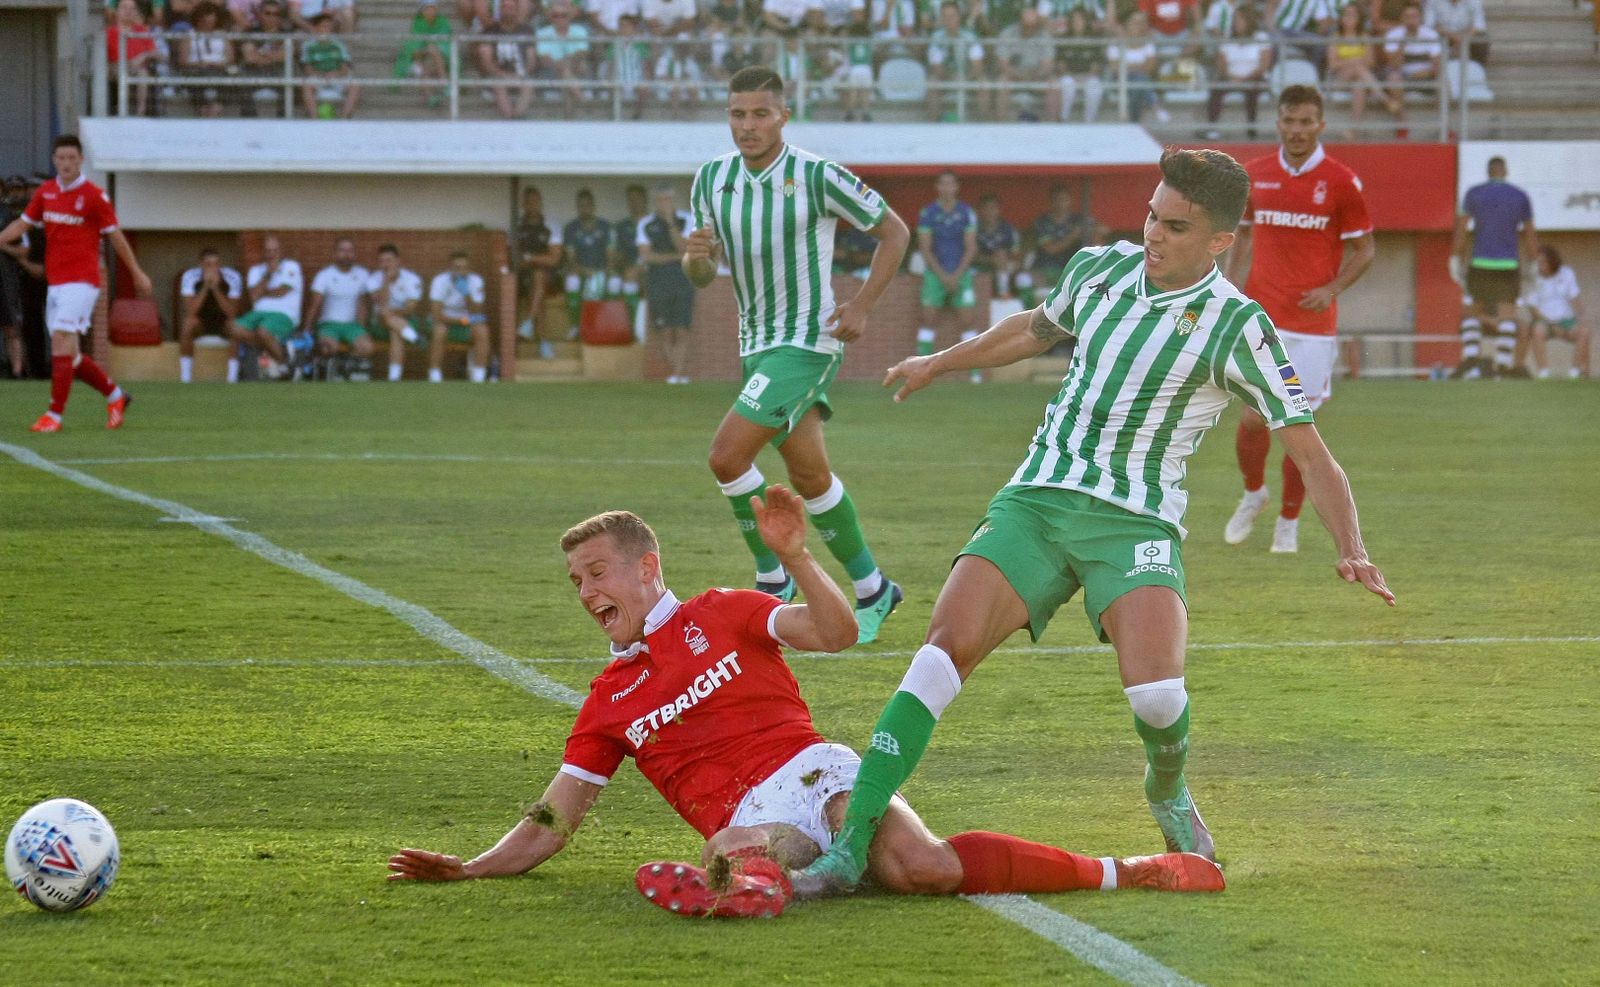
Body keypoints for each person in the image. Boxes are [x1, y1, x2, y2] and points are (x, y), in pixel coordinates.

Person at [792, 147, 1395, 897]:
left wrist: (1353, 548)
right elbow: (1033, 329)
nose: (1153, 233)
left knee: (1158, 698)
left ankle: (1167, 789)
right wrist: (937, 361)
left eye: (1175, 225)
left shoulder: (1240, 327)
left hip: (1135, 519)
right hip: (1038, 498)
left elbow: (1310, 450)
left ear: (1218, 241)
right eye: (1150, 214)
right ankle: (848, 848)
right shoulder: (1099, 270)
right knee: (940, 652)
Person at [385, 500, 1226, 916]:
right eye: (576, 581)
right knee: (737, 837)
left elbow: (833, 630)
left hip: (814, 770)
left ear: (648, 567)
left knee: (923, 871)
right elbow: (551, 819)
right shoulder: (606, 703)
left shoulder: (724, 610)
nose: (586, 591)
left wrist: (795, 556)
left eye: (598, 572)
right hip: (745, 816)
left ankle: (1135, 869)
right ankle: (753, 874)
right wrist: (472, 865)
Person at [683, 66, 912, 643]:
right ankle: (873, 588)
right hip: (755, 345)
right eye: (738, 114)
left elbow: (895, 232)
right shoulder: (711, 179)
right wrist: (695, 258)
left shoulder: (816, 175)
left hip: (807, 341)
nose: (748, 125)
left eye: (761, 113)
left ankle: (771, 579)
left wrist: (860, 305)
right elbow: (703, 272)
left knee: (725, 457)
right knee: (810, 475)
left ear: (784, 115)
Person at [1223, 85, 1375, 553]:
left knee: (1296, 431)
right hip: (1261, 319)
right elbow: (1241, 236)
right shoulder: (1255, 176)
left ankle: (1288, 522)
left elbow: (1365, 250)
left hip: (1312, 328)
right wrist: (1228, 288)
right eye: (1289, 121)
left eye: (1307, 121)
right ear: (1278, 124)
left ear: (1321, 124)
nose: (1297, 130)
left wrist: (1331, 289)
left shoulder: (1342, 182)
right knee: (1252, 420)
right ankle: (1254, 494)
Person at [0, 136, 149, 432]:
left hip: (82, 282)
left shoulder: (94, 196)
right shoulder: (46, 192)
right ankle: (116, 396)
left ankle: (54, 415)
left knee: (60, 340)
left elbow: (115, 236)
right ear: (55, 161)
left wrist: (136, 271)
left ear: (81, 160)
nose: (66, 163)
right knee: (71, 354)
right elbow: (23, 224)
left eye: (72, 158)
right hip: (56, 282)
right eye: (61, 158)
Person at [1451, 156, 1535, 379]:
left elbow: (1461, 228)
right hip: (1508, 263)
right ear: (1505, 171)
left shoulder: (1473, 193)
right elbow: (1529, 233)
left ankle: (1470, 360)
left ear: (1488, 171)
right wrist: (1534, 262)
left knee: (1471, 312)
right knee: (1507, 314)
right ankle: (1503, 366)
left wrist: (1455, 257)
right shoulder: (1520, 195)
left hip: (1480, 262)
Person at [915, 171, 980, 366]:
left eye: (951, 184)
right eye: (943, 183)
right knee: (928, 319)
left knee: (968, 320)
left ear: (956, 187)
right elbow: (925, 248)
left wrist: (957, 275)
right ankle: (921, 365)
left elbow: (971, 247)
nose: (947, 188)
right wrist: (944, 276)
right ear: (937, 187)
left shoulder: (967, 213)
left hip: (961, 273)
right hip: (935, 275)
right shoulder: (928, 213)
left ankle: (973, 370)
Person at [638, 186, 697, 385]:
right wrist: (675, 257)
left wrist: (671, 222)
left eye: (668, 200)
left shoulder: (685, 219)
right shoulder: (646, 224)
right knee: (665, 331)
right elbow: (647, 256)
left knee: (681, 329)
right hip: (658, 282)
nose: (664, 204)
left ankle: (678, 374)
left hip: (683, 280)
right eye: (661, 200)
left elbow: (683, 247)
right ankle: (675, 373)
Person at [230, 234, 304, 376]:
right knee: (233, 328)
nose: (271, 254)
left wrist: (262, 292)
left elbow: (282, 291)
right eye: (268, 251)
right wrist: (268, 274)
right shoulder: (256, 270)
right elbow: (252, 296)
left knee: (263, 331)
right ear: (264, 252)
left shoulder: (291, 266)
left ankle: (284, 365)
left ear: (281, 251)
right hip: (258, 314)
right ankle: (275, 347)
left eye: (275, 250)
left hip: (284, 314)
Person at [1326, 3, 1399, 138]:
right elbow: (1333, 64)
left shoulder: (1364, 36)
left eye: (1352, 15)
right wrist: (1353, 61)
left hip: (1360, 78)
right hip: (1340, 79)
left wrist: (1353, 62)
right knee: (1358, 67)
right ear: (1341, 18)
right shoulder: (1336, 37)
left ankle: (1353, 130)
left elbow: (1371, 62)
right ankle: (1386, 100)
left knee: (1359, 85)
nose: (1349, 18)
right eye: (1346, 14)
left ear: (1358, 18)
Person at [304, 236, 373, 376]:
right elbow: (314, 306)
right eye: (342, 250)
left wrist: (362, 329)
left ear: (354, 253)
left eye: (350, 250)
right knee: (329, 349)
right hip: (328, 324)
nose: (346, 254)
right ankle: (336, 371)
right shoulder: (324, 275)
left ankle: (345, 367)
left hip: (352, 325)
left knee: (368, 348)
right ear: (335, 253)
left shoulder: (363, 274)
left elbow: (364, 305)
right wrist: (307, 330)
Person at [1204, 5, 1273, 139]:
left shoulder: (1261, 37)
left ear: (1249, 21)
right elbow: (1221, 64)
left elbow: (1264, 65)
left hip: (1254, 76)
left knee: (1252, 89)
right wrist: (1231, 76)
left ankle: (1251, 129)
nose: (1236, 22)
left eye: (1239, 19)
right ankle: (1212, 128)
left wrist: (1245, 78)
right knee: (1216, 89)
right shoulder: (1227, 38)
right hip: (1230, 77)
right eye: (1235, 19)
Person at [178, 246, 244, 383]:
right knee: (187, 324)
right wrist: (206, 287)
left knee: (236, 326)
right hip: (201, 322)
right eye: (208, 265)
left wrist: (215, 289)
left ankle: (232, 379)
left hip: (223, 322)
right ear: (201, 265)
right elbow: (191, 311)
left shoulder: (232, 277)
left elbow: (232, 313)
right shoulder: (190, 277)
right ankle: (185, 378)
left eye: (216, 264)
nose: (213, 268)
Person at [1524, 246, 1589, 380]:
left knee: (1585, 331)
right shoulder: (1534, 278)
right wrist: (1552, 324)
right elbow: (1533, 310)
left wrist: (1581, 317)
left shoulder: (1566, 273)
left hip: (1566, 320)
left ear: (1552, 262)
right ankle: (1544, 372)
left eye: (1542, 262)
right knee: (1537, 331)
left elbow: (1575, 299)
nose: (1540, 266)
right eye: (1538, 262)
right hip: (1545, 322)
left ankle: (1575, 372)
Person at [428, 250, 491, 382]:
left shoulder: (476, 280)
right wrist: (462, 321)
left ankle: (479, 376)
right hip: (445, 319)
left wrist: (466, 293)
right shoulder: (440, 281)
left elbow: (477, 311)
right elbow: (436, 314)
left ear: (470, 269)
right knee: (439, 331)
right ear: (450, 268)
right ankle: (434, 375)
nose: (461, 272)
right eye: (457, 268)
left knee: (483, 330)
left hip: (467, 318)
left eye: (465, 268)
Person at [366, 243, 426, 382]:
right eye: (382, 262)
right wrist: (386, 281)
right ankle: (415, 338)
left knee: (395, 330)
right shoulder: (373, 279)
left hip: (405, 320)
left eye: (389, 260)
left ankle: (394, 378)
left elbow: (410, 308)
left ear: (398, 261)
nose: (386, 265)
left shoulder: (412, 279)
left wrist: (389, 312)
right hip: (379, 323)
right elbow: (381, 304)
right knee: (385, 315)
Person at [1029, 182, 1103, 293]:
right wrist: (1074, 234)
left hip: (1073, 266)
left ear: (1070, 201)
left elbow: (1101, 231)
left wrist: (1094, 232)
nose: (1060, 203)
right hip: (1046, 267)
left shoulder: (1079, 219)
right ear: (1051, 202)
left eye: (1064, 199)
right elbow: (1051, 249)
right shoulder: (1041, 223)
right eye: (1056, 200)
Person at [559, 189, 615, 333]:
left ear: (593, 206)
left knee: (612, 282)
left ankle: (604, 325)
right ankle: (574, 326)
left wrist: (602, 272)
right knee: (572, 280)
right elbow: (570, 259)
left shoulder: (605, 226)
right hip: (579, 270)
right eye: (581, 205)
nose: (584, 208)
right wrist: (585, 271)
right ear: (577, 207)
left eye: (587, 205)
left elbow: (610, 255)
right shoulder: (570, 228)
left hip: (601, 270)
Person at [514, 186, 563, 350]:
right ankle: (543, 341)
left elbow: (555, 259)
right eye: (529, 202)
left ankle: (529, 324)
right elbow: (514, 259)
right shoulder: (517, 226)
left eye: (536, 201)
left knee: (539, 276)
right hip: (525, 276)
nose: (533, 205)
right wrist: (538, 259)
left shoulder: (551, 224)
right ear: (523, 205)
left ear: (541, 203)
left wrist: (531, 258)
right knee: (537, 284)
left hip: (551, 276)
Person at [1381, 2, 1441, 133]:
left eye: (1414, 16)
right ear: (1402, 19)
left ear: (1420, 18)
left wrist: (1429, 72)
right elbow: (1393, 65)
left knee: (1444, 82)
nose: (1411, 20)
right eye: (1407, 17)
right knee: (1393, 78)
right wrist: (1403, 43)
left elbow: (1437, 64)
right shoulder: (1393, 35)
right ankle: (1402, 124)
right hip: (1403, 76)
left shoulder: (1431, 35)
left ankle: (1445, 126)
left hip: (1424, 76)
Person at [534, 0, 591, 120]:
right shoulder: (542, 33)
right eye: (556, 16)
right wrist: (562, 65)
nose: (560, 19)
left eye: (563, 15)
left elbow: (582, 53)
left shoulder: (580, 31)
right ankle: (584, 102)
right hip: (551, 73)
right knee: (565, 73)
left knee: (567, 76)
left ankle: (568, 121)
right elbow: (544, 59)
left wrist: (565, 63)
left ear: (569, 17)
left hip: (574, 70)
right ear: (551, 17)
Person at [477, 4, 535, 119]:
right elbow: (486, 61)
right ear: (499, 11)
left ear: (517, 11)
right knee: (499, 85)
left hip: (521, 75)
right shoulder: (490, 31)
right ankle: (510, 120)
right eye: (505, 7)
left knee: (529, 85)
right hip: (498, 75)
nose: (508, 11)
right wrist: (502, 74)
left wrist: (522, 74)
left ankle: (517, 118)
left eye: (511, 8)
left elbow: (531, 59)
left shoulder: (527, 30)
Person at [299, 12, 360, 119]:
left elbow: (345, 67)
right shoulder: (308, 45)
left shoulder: (338, 45)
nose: (327, 29)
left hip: (336, 77)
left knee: (354, 85)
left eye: (329, 27)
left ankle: (344, 118)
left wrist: (336, 74)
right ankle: (315, 118)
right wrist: (321, 74)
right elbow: (307, 68)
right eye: (324, 26)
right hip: (317, 77)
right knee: (306, 85)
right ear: (316, 27)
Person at [974, 192, 1030, 306]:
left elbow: (1017, 253)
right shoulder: (974, 229)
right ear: (980, 210)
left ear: (998, 210)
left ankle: (1030, 313)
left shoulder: (1007, 230)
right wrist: (991, 260)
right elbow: (971, 256)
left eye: (993, 208)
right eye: (986, 208)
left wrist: (1009, 263)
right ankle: (1003, 292)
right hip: (980, 267)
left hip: (1006, 267)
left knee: (1024, 279)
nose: (990, 212)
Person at [395, 0, 453, 109]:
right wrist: (425, 50)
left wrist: (430, 48)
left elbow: (446, 44)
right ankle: (433, 95)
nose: (430, 11)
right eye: (427, 8)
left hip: (442, 57)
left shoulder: (443, 22)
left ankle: (443, 81)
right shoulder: (417, 24)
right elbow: (413, 48)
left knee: (433, 49)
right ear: (421, 11)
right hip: (423, 59)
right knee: (423, 66)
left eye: (433, 8)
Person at [238, 0, 290, 118]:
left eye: (275, 14)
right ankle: (250, 124)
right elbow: (249, 57)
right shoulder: (249, 32)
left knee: (289, 83)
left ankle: (284, 124)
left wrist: (260, 56)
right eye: (268, 13)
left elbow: (285, 55)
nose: (272, 17)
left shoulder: (286, 33)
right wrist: (273, 55)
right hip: (254, 72)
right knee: (243, 82)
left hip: (278, 72)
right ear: (260, 15)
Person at [1055, 7, 1107, 123]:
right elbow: (1061, 65)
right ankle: (1063, 119)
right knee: (1066, 83)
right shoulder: (1063, 39)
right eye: (1074, 19)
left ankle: (1089, 122)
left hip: (1088, 76)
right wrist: (1072, 76)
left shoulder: (1094, 39)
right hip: (1069, 76)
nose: (1077, 22)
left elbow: (1097, 65)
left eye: (1080, 19)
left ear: (1086, 21)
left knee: (1095, 86)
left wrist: (1087, 76)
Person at [1422, 0, 1486, 65]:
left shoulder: (1474, 1)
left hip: (1466, 37)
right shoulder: (1433, 1)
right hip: (1443, 36)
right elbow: (1429, 26)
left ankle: (1477, 68)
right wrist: (1454, 37)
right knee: (1428, 36)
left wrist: (1461, 39)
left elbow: (1478, 26)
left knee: (1482, 39)